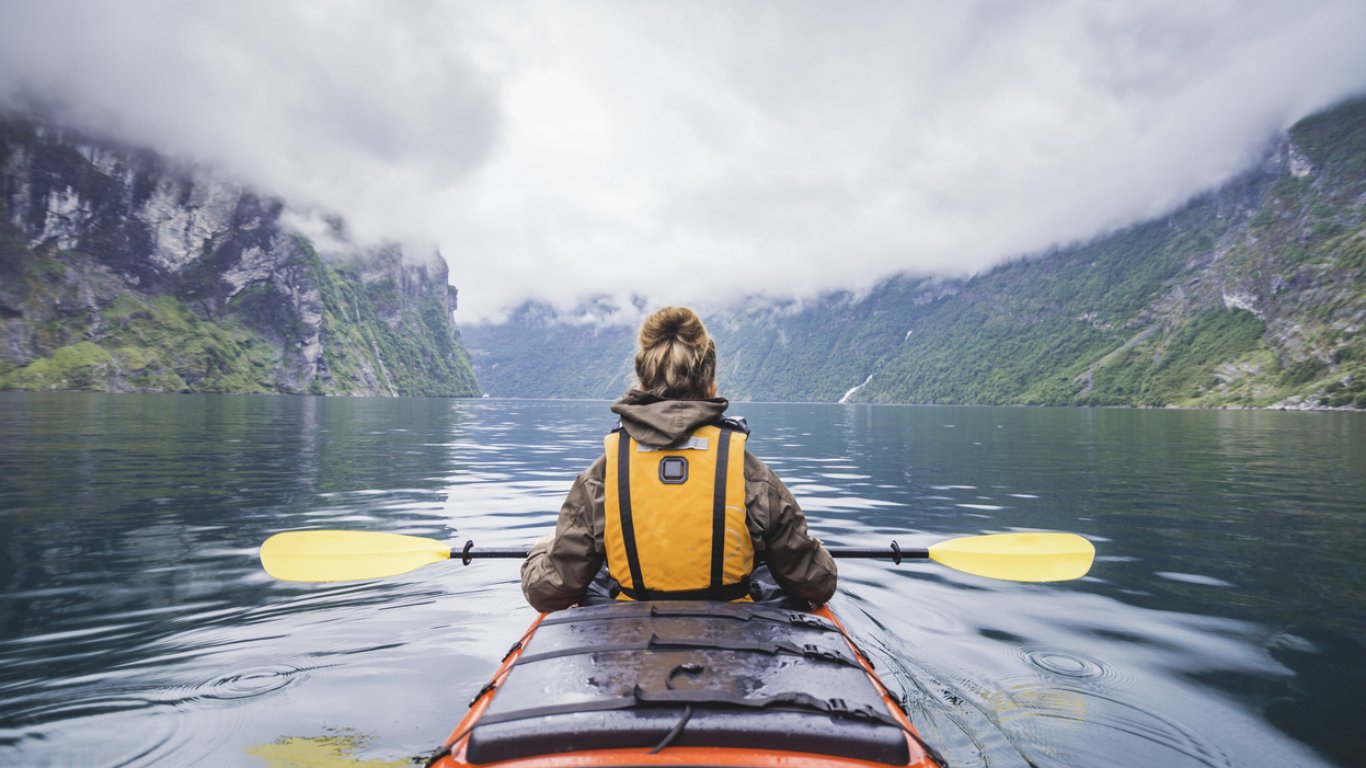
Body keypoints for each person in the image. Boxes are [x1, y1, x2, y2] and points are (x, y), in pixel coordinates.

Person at [521, 306, 836, 612]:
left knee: (597, 576)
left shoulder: (601, 477)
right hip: (731, 632)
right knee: (766, 568)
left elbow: (547, 592)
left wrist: (540, 550)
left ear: (642, 385)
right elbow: (817, 584)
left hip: (632, 633)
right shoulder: (750, 474)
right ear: (711, 386)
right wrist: (814, 550)